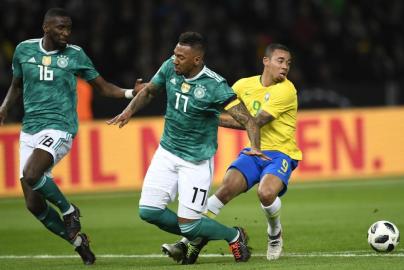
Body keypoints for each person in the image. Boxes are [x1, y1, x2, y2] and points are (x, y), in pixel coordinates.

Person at [107, 31, 266, 263]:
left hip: (196, 161)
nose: (175, 60)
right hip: (167, 152)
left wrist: (255, 146)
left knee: (190, 227)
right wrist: (129, 110)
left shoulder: (215, 85)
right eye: (174, 54)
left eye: (181, 57)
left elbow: (248, 120)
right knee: (149, 212)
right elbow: (150, 90)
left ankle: (233, 235)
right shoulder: (170, 68)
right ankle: (202, 236)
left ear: (197, 60)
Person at [0, 8, 142, 265]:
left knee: (32, 174)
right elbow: (17, 84)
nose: (66, 33)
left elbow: (103, 87)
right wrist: (4, 107)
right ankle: (78, 242)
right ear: (46, 28)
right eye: (61, 28)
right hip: (30, 129)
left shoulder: (75, 55)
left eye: (68, 28)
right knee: (33, 204)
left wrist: (132, 93)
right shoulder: (24, 50)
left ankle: (69, 210)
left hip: (60, 126)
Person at [163, 43, 302, 264]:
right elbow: (216, 104)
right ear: (266, 61)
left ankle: (275, 234)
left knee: (266, 193)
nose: (285, 67)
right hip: (253, 153)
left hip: (280, 153)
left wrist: (210, 118)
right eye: (280, 61)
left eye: (288, 63)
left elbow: (253, 122)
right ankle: (186, 241)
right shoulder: (243, 85)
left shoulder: (286, 90)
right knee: (225, 189)